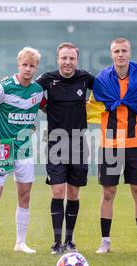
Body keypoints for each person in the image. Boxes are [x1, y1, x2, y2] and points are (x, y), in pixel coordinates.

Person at [88, 38, 137, 254]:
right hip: (110, 144)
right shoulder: (102, 80)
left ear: (130, 53)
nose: (120, 54)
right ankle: (105, 242)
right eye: (117, 51)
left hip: (135, 143)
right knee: (108, 192)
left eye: (124, 50)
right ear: (111, 54)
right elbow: (89, 107)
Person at [0, 47, 44, 256]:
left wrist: (31, 125)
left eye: (31, 66)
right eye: (24, 64)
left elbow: (39, 110)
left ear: (36, 68)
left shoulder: (38, 90)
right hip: (2, 149)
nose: (27, 69)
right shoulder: (4, 87)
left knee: (25, 196)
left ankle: (20, 242)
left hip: (24, 148)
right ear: (18, 65)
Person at [36, 42, 95, 254]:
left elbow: (106, 93)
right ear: (58, 59)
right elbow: (30, 94)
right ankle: (56, 242)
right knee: (58, 190)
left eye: (71, 58)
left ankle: (69, 240)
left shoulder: (85, 78)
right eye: (64, 58)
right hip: (55, 141)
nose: (68, 62)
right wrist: (45, 108)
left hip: (79, 141)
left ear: (76, 60)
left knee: (73, 193)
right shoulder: (47, 79)